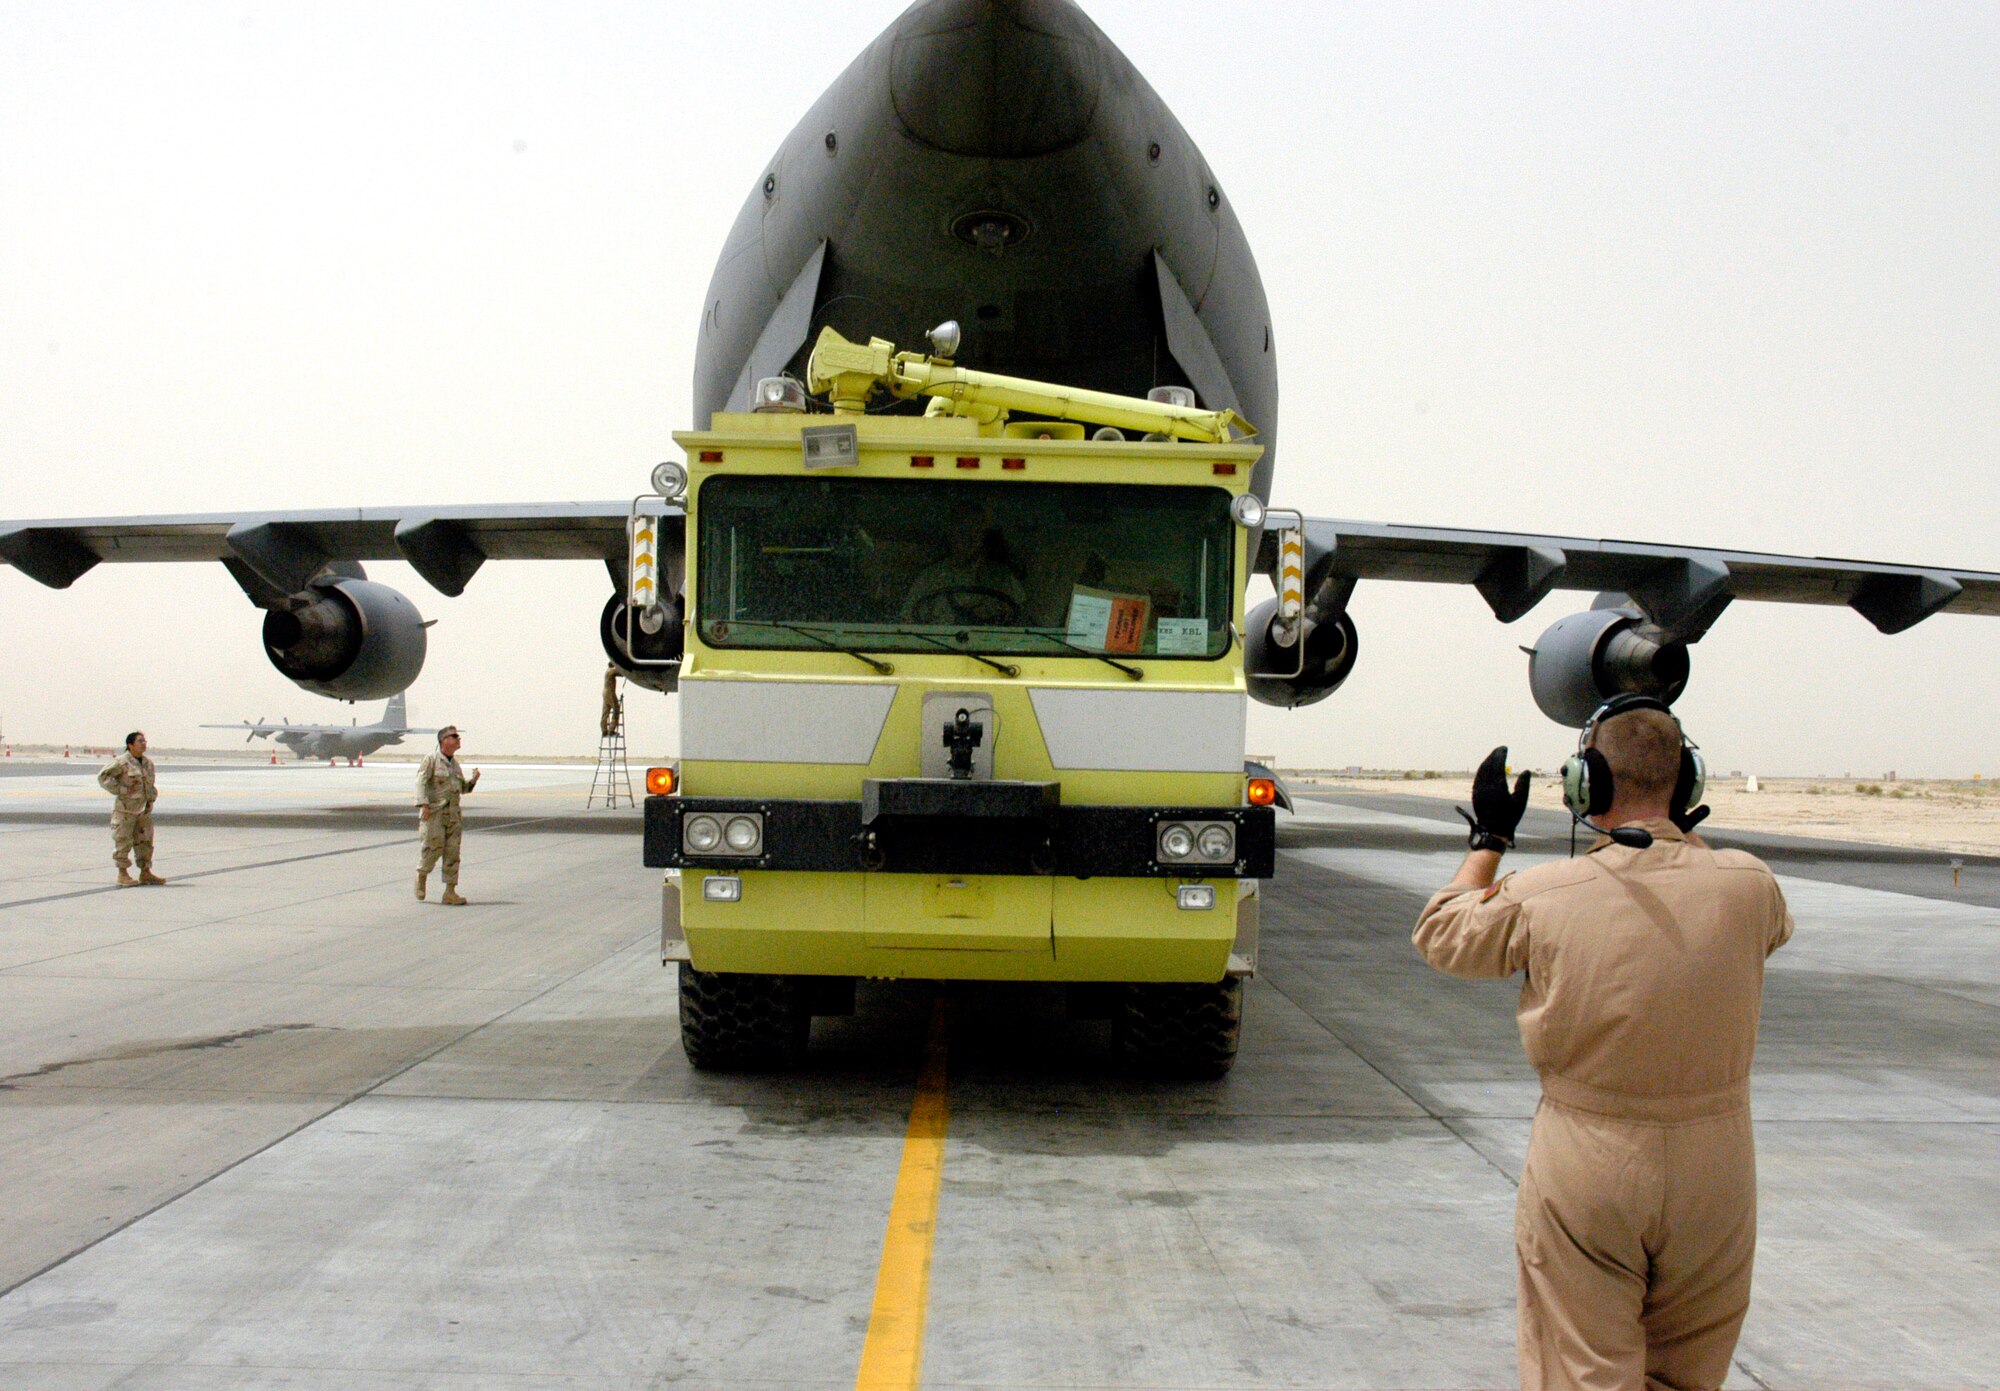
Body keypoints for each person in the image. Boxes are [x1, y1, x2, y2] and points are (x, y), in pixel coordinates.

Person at [1413, 700, 1793, 1391]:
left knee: (1582, 1368)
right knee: (1688, 1373)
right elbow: (1765, 925)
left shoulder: (1545, 893)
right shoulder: (1752, 885)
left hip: (1591, 1159)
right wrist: (1680, 839)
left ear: (1589, 784)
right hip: (1718, 1166)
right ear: (1689, 785)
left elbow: (1441, 932)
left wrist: (1489, 838)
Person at [903, 501, 1025, 625]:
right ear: (950, 533)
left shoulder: (1002, 578)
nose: (967, 537)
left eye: (974, 530)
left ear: (983, 536)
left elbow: (1022, 622)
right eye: (961, 529)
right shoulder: (929, 578)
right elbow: (908, 625)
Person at [415, 725, 480, 905]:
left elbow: (462, 789)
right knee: (431, 849)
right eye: (454, 736)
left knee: (453, 853)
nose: (458, 739)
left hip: (453, 816)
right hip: (434, 814)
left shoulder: (455, 765)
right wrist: (424, 805)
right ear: (444, 741)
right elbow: (420, 782)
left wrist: (473, 781)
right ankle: (421, 876)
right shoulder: (431, 760)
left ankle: (450, 892)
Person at [97, 731, 164, 887]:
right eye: (140, 741)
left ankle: (145, 872)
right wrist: (122, 791)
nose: (144, 743)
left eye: (144, 741)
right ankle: (123, 874)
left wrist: (151, 796)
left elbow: (149, 783)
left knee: (145, 842)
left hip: (143, 811)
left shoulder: (147, 763)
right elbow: (103, 777)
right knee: (123, 841)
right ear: (130, 745)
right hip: (126, 811)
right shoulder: (121, 762)